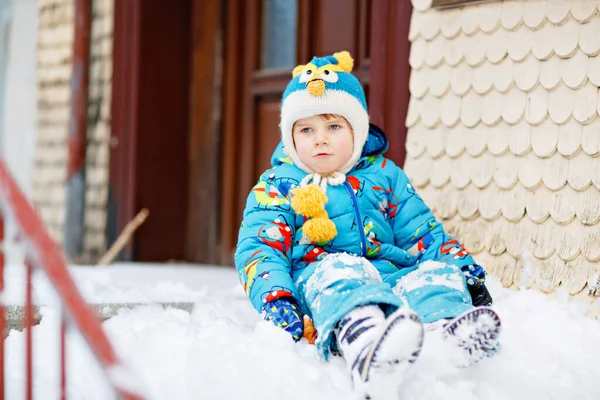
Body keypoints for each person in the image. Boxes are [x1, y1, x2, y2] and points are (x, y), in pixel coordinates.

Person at [235, 51, 501, 399]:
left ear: (357, 132)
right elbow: (259, 247)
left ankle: (447, 332)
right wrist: (277, 298)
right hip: (320, 279)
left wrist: (463, 269)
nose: (320, 139)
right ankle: (367, 347)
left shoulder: (384, 176)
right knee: (341, 276)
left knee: (432, 277)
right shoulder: (278, 185)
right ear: (291, 136)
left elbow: (422, 233)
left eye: (333, 127)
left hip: (389, 273)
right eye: (306, 129)